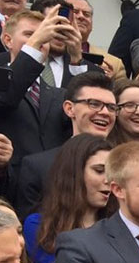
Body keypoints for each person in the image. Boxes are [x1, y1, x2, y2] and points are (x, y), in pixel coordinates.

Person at [0, 11, 74, 180]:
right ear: (7, 40)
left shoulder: (60, 95)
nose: (40, 40)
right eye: (30, 34)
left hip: (52, 192)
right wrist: (34, 45)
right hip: (4, 189)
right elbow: (5, 99)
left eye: (43, 36)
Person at [15, 71, 117, 218]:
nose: (105, 112)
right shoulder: (38, 166)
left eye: (112, 107)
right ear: (69, 109)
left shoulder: (126, 164)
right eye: (94, 104)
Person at [24, 134, 112, 263]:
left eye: (112, 172)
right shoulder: (38, 225)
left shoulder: (116, 223)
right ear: (73, 173)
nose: (108, 180)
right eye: (99, 171)